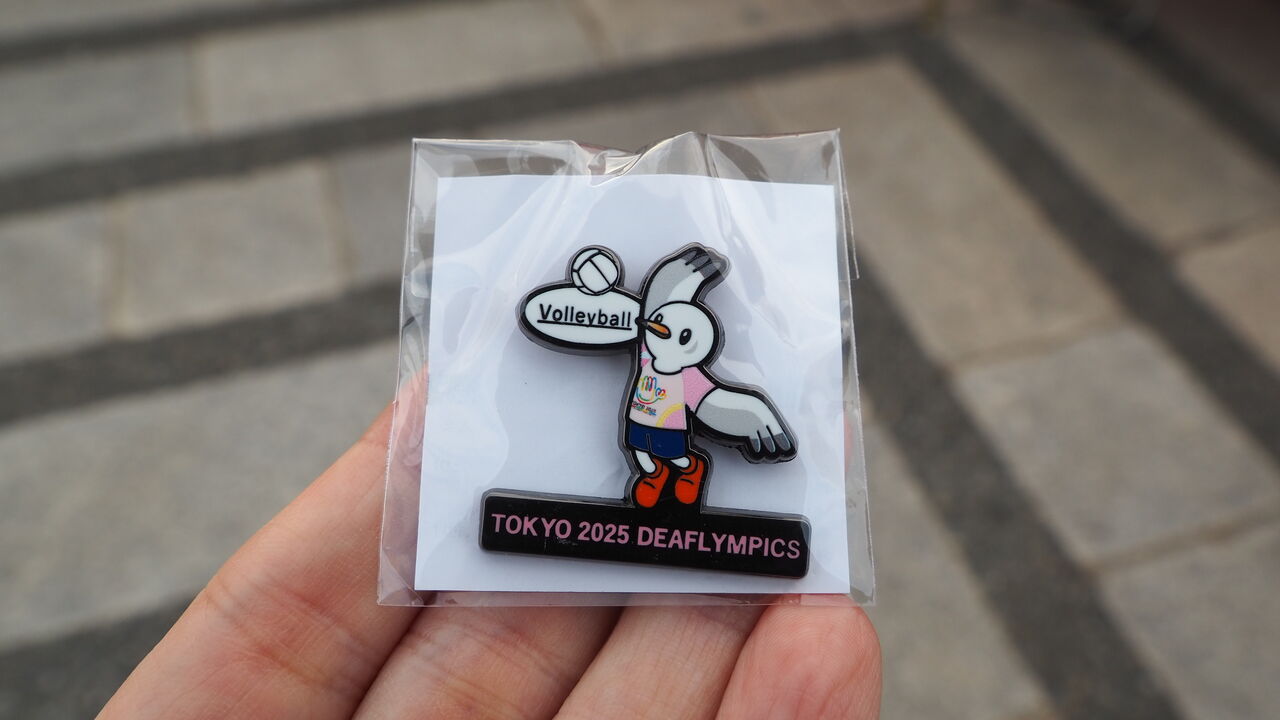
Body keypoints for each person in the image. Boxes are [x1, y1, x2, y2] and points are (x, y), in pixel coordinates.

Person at [99, 400, 880, 719]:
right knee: (651, 465)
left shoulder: (688, 372)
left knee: (667, 467)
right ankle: (661, 478)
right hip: (644, 446)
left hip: (666, 450)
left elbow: (715, 401)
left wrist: (754, 423)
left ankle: (671, 479)